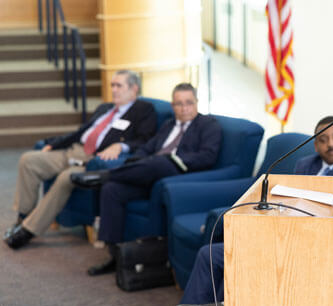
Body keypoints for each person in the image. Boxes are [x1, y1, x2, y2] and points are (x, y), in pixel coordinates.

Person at [151, 115, 333, 306]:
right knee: (211, 254)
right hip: (282, 233)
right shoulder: (305, 164)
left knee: (236, 263)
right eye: (323, 140)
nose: (330, 145)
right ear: (315, 145)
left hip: (313, 249)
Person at [71, 83, 222, 276]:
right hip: (148, 175)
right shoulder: (168, 125)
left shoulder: (208, 125)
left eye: (188, 103)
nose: (184, 108)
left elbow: (208, 156)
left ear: (197, 103)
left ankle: (103, 176)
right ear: (172, 105)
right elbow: (146, 148)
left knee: (161, 162)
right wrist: (139, 162)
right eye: (178, 104)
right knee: (112, 189)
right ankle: (115, 255)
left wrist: (177, 159)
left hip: (178, 177)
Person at [3, 70, 156, 249]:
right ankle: (23, 216)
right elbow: (82, 132)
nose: (114, 90)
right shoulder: (105, 109)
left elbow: (145, 140)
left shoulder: (143, 110)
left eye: (119, 85)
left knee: (65, 178)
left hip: (93, 160)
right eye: (112, 85)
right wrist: (53, 143)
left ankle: (27, 230)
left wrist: (121, 147)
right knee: (29, 160)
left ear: (134, 89)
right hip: (74, 151)